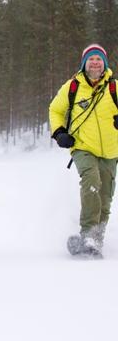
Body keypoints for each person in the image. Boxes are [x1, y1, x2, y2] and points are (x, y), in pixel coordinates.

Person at [49, 44, 118, 258]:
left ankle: (96, 239)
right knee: (91, 181)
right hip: (83, 147)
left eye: (99, 59)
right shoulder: (72, 87)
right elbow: (55, 110)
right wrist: (59, 132)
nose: (95, 62)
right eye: (91, 59)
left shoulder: (114, 87)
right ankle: (88, 233)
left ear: (104, 64)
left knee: (105, 196)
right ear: (84, 63)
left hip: (111, 150)